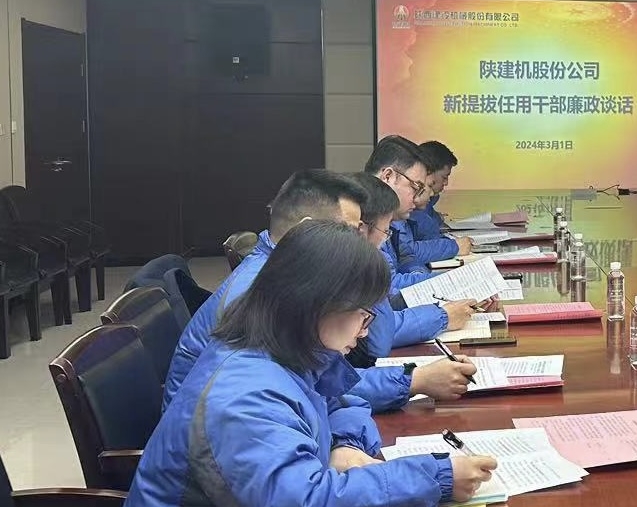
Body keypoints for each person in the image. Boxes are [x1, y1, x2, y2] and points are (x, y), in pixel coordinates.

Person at [100, 222, 498, 507]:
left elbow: (345, 399)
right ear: (316, 304)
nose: (366, 331)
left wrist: (345, 445)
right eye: (363, 316)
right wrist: (436, 477)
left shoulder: (286, 352)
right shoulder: (243, 393)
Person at [163, 169, 476, 414]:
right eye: (351, 231)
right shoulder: (269, 289)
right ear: (307, 228)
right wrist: (413, 381)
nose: (359, 240)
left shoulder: (281, 269)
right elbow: (312, 389)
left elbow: (319, 384)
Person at [347, 174, 478, 406]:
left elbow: (408, 257)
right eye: (417, 186)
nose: (424, 194)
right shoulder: (338, 269)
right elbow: (378, 342)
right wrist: (415, 380)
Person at [365, 136, 468, 287]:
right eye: (416, 187)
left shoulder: (386, 217)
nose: (418, 197)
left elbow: (405, 257)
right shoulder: (362, 222)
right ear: (388, 177)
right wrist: (457, 282)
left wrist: (419, 274)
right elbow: (389, 289)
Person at [409, 139, 458, 240]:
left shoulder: (427, 203)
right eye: (444, 177)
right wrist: (455, 246)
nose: (446, 183)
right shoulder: (411, 211)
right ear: (428, 172)